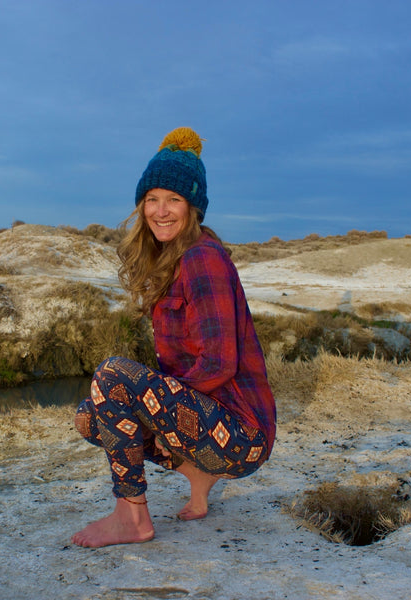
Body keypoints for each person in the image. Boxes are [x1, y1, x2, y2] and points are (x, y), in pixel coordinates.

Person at [71, 127, 276, 548]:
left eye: (174, 199)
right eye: (152, 199)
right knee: (92, 415)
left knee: (112, 377)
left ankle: (132, 517)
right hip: (212, 423)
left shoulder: (202, 257)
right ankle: (199, 475)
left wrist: (161, 410)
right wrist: (163, 408)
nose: (161, 211)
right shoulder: (176, 257)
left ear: (193, 207)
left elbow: (220, 363)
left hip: (242, 435)